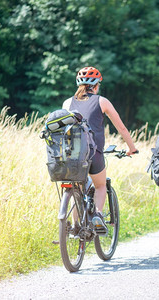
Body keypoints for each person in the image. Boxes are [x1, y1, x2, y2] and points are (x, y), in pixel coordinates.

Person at [63, 66, 138, 234]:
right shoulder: (101, 101)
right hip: (93, 153)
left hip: (73, 155)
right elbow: (122, 128)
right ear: (96, 85)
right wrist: (131, 148)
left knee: (78, 188)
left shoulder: (67, 103)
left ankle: (75, 226)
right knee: (100, 186)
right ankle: (97, 214)